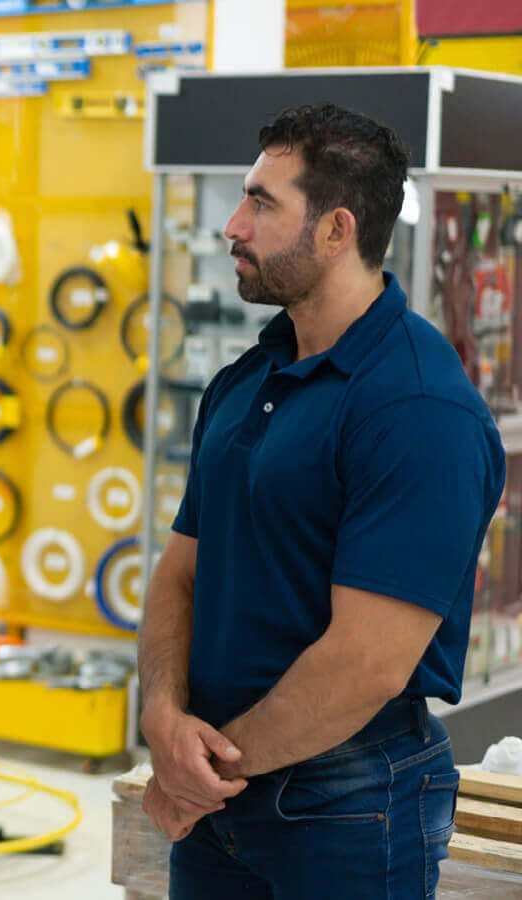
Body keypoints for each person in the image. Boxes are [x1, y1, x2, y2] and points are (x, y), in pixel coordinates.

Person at [138, 103, 505, 897]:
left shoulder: (416, 409)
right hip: (217, 792)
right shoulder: (246, 382)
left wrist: (202, 769)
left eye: (262, 203)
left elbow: (365, 664)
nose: (233, 225)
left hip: (347, 804)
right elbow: (179, 574)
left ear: (337, 231)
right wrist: (164, 723)